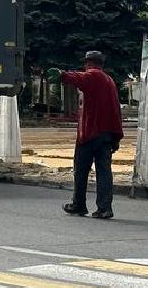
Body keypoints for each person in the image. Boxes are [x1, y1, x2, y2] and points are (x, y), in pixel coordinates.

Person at [49, 50, 123, 220]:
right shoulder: (109, 80)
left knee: (81, 170)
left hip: (90, 133)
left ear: (89, 63)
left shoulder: (93, 76)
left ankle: (78, 204)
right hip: (107, 135)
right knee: (104, 172)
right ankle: (104, 208)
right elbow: (116, 110)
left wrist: (61, 75)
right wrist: (116, 137)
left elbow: (77, 78)